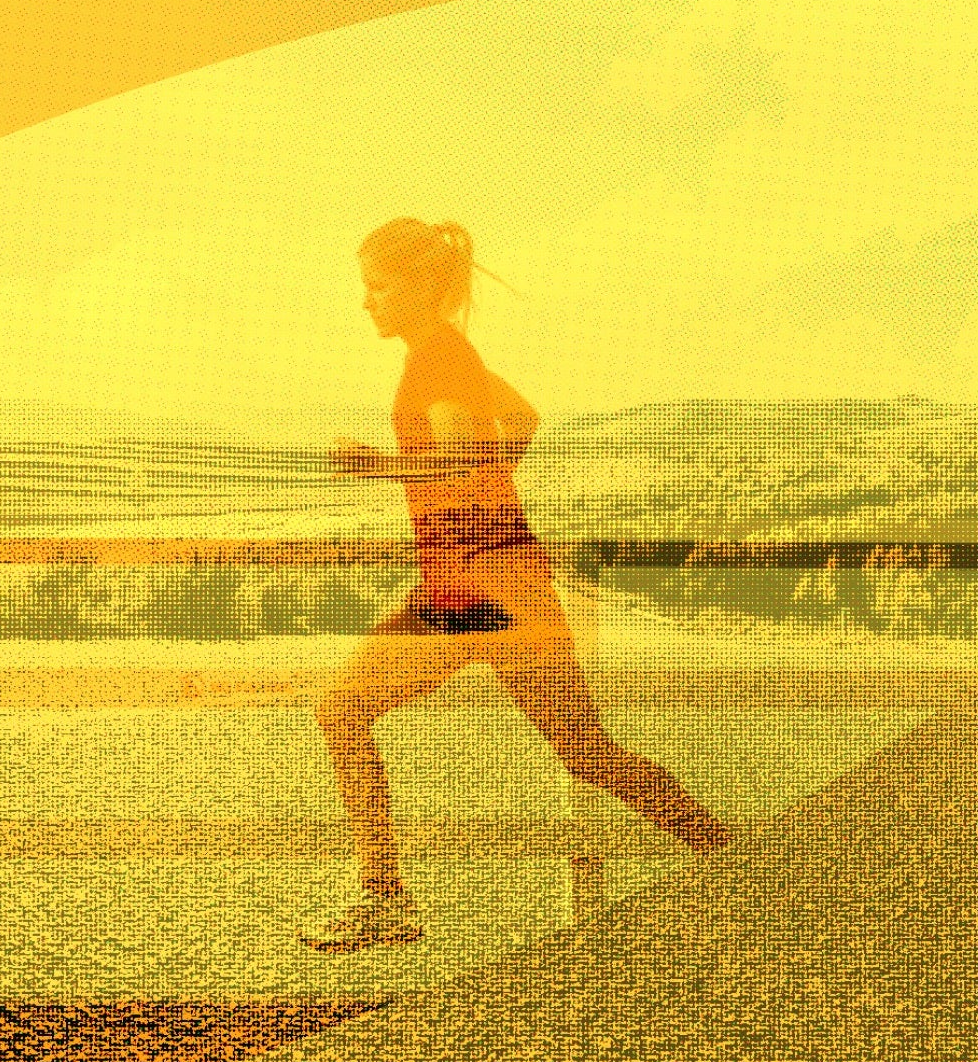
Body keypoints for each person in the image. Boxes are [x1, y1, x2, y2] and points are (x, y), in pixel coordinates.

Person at [300, 218, 730, 954]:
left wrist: (377, 467)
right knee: (588, 754)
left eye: (376, 286)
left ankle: (383, 901)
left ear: (419, 286)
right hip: (509, 577)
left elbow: (463, 460)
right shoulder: (454, 355)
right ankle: (733, 858)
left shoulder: (435, 360)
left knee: (341, 710)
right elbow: (524, 423)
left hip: (472, 585)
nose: (365, 302)